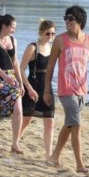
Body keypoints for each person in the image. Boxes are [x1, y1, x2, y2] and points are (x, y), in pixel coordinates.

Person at [43, 6, 89, 174]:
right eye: (66, 18)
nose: (67, 21)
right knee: (77, 125)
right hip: (66, 89)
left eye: (71, 19)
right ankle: (80, 164)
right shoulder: (60, 40)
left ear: (79, 21)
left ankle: (54, 156)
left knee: (69, 124)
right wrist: (46, 89)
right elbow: (50, 67)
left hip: (82, 89)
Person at [0, 14, 24, 154]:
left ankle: (15, 144)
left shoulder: (14, 40)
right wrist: (5, 77)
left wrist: (20, 82)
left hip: (12, 78)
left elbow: (15, 63)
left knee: (18, 109)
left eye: (15, 28)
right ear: (4, 26)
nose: (13, 30)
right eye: (12, 27)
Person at [19, 20, 57, 160]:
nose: (51, 36)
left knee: (50, 121)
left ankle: (48, 155)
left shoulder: (53, 49)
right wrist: (28, 88)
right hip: (33, 85)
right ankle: (15, 142)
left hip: (47, 87)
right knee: (26, 119)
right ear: (41, 32)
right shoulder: (33, 47)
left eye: (53, 33)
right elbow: (21, 70)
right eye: (48, 33)